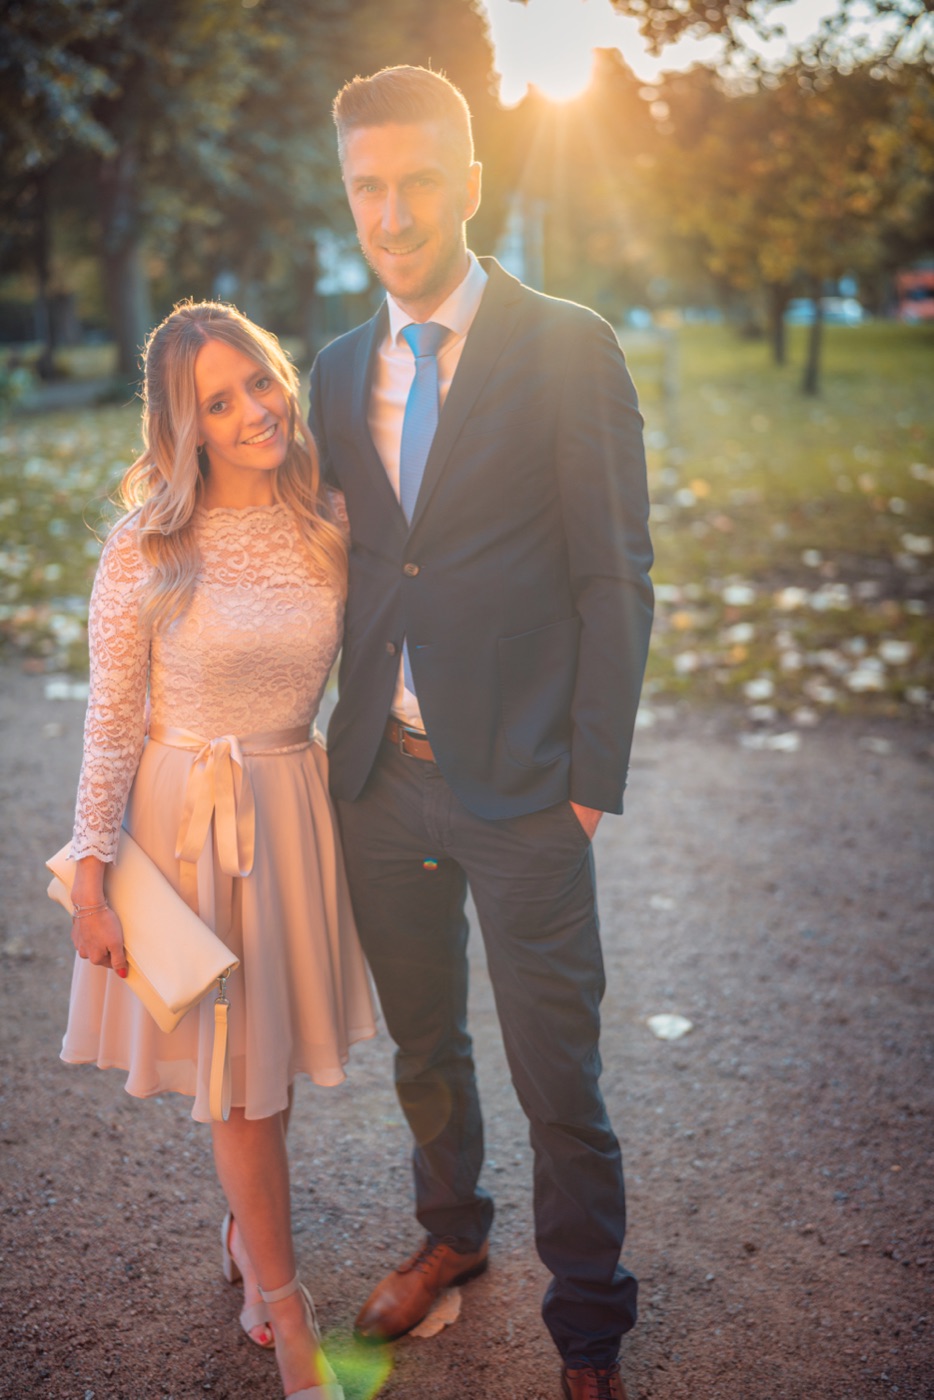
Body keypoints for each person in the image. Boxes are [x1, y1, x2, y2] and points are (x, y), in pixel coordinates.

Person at [308, 66, 654, 1400]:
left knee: (556, 1072)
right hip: (381, 782)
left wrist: (588, 781)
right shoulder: (341, 368)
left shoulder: (568, 341)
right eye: (366, 188)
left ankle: (587, 1324)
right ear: (350, 197)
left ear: (468, 183)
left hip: (524, 789)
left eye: (413, 182)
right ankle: (451, 1238)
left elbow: (613, 573)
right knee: (425, 1044)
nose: (390, 212)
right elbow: (358, 561)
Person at [60, 300, 376, 1400]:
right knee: (239, 1087)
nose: (253, 410)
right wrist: (89, 877)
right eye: (218, 400)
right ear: (180, 425)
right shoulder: (146, 541)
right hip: (182, 823)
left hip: (293, 807)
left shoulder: (331, 516)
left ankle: (247, 1244)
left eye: (260, 381)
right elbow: (111, 718)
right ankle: (289, 1317)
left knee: (267, 1070)